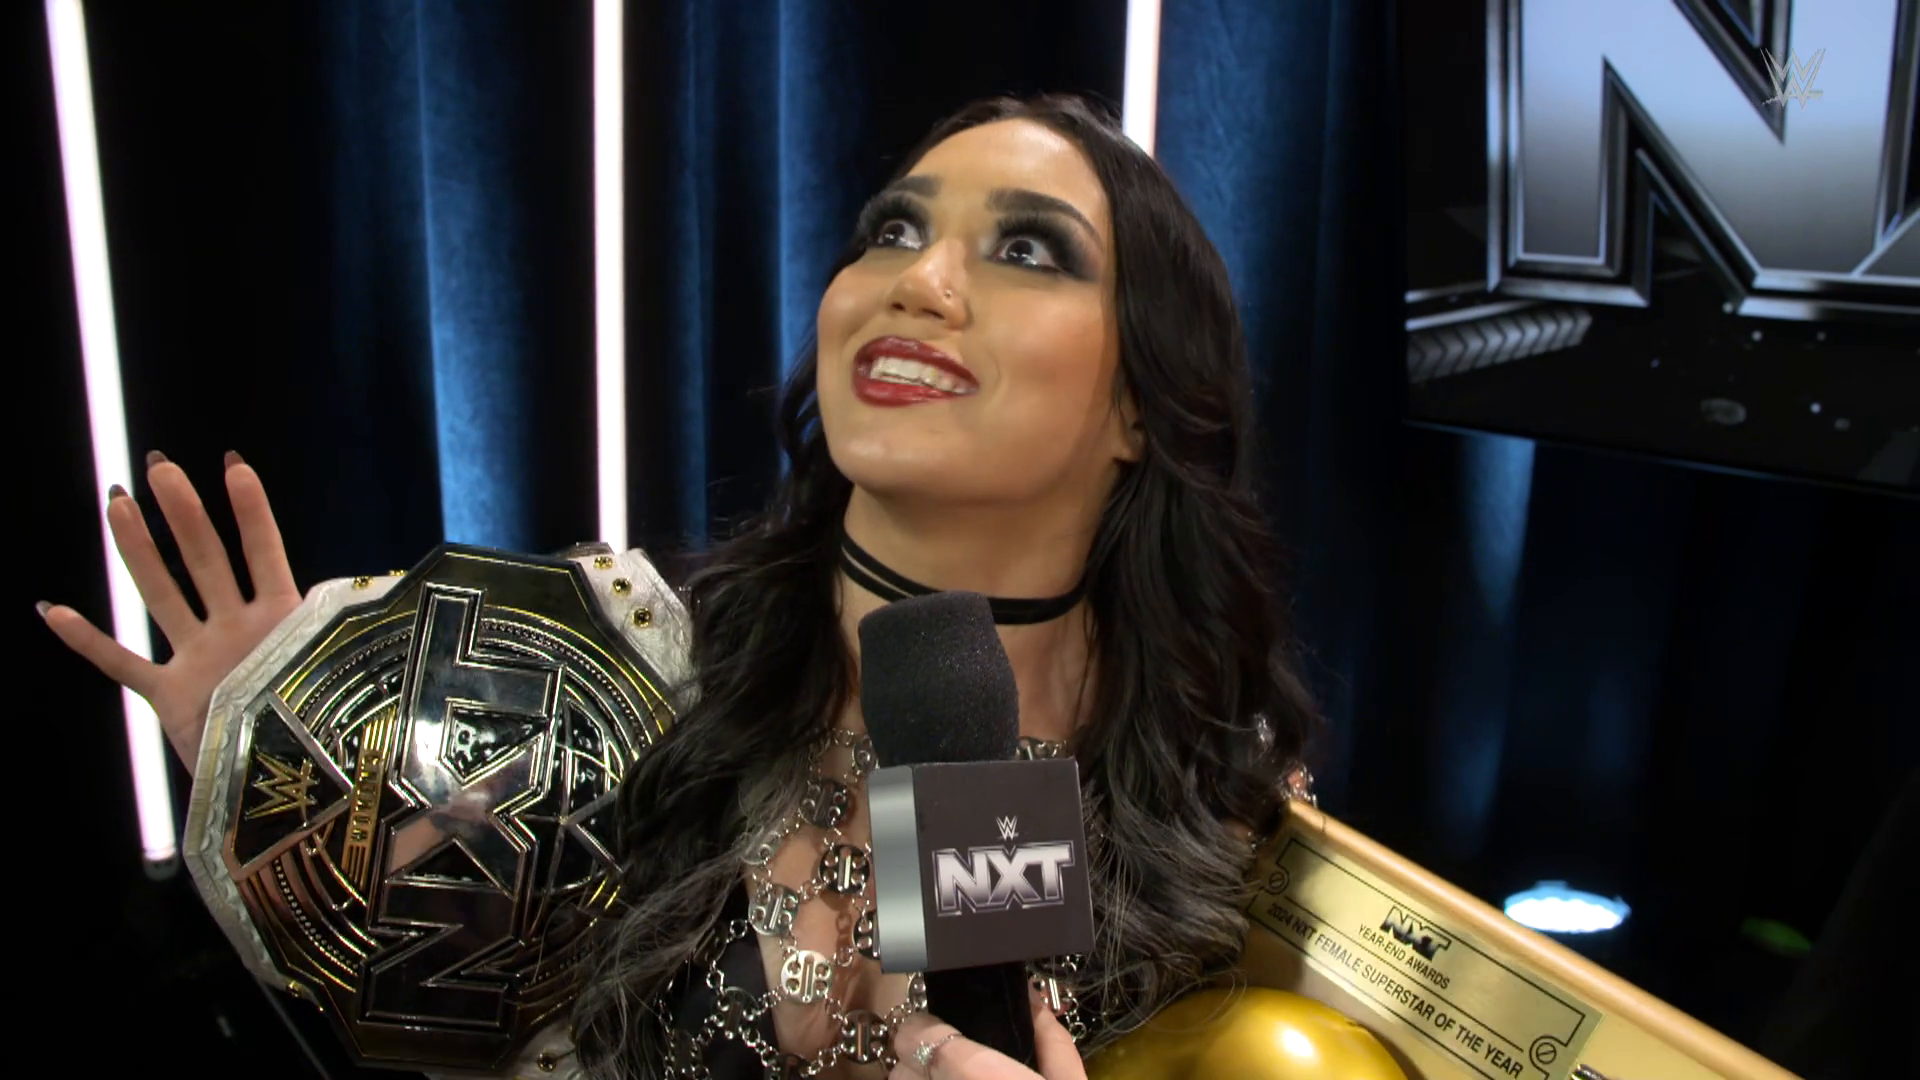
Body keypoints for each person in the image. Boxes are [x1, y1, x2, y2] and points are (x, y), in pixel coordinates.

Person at [41, 94, 1320, 1080]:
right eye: (893, 230)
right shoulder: (612, 671)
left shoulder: (1223, 808)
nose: (921, 282)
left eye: (1027, 249)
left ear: (1143, 404)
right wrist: (297, 792)